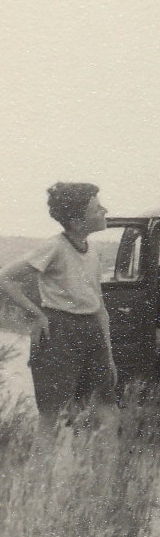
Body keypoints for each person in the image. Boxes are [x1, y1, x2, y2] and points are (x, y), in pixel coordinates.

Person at [0, 182, 116, 431]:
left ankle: (104, 469)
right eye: (97, 208)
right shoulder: (55, 247)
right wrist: (37, 315)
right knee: (52, 414)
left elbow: (100, 306)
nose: (104, 211)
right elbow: (5, 277)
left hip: (92, 331)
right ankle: (43, 470)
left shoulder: (93, 250)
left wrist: (108, 352)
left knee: (105, 409)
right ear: (76, 221)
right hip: (59, 331)